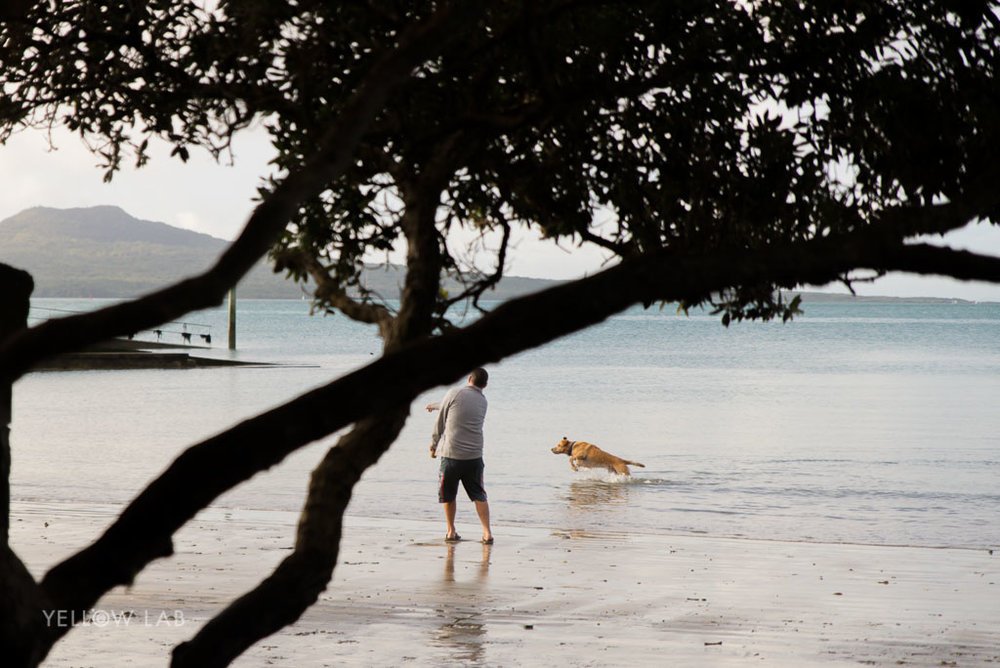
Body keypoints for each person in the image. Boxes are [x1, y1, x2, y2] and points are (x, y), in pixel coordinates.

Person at [428, 368, 494, 544]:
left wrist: (433, 445)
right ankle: (487, 533)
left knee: (448, 494)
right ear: (485, 385)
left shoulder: (454, 392)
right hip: (474, 456)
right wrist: (436, 406)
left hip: (451, 455)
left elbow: (441, 421)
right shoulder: (483, 401)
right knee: (479, 494)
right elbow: (457, 408)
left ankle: (451, 531)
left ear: (469, 378)